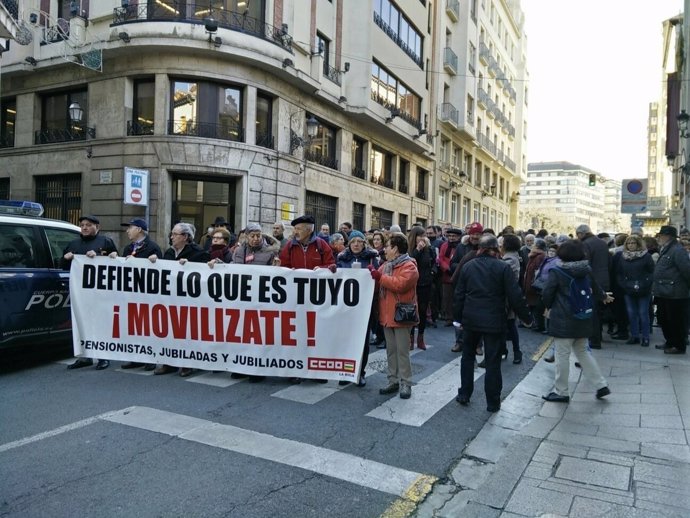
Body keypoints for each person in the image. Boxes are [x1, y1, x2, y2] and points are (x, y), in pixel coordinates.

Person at [454, 235, 532, 412]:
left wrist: (458, 319)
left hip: (471, 320)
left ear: (480, 249)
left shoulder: (468, 266)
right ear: (496, 250)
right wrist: (527, 318)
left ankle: (464, 393)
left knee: (467, 357)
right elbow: (515, 296)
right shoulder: (502, 268)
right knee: (493, 362)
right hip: (494, 320)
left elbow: (459, 295)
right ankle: (493, 402)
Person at [541, 239, 612, 403]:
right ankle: (601, 385)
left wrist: (547, 307)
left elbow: (547, 294)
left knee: (562, 355)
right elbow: (596, 288)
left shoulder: (556, 271)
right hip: (583, 317)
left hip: (563, 319)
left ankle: (562, 392)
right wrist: (605, 297)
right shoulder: (586, 269)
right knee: (583, 352)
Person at [279, 215, 335, 383]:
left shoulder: (322, 245)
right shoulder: (289, 246)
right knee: (298, 335)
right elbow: (283, 267)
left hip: (317, 300)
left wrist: (324, 268)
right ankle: (297, 369)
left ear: (309, 230)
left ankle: (318, 372)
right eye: (294, 229)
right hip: (296, 299)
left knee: (317, 335)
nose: (295, 232)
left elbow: (332, 265)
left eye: (299, 228)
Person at [149, 222, 210, 376]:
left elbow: (206, 274)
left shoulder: (198, 253)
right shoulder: (169, 252)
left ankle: (188, 363)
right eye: (172, 234)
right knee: (170, 331)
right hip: (170, 299)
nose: (172, 237)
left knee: (188, 331)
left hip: (190, 300)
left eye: (175, 234)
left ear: (185, 237)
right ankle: (169, 362)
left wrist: (190, 267)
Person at [223, 223, 281, 381]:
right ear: (247, 236)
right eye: (252, 236)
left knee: (260, 335)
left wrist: (277, 268)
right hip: (244, 298)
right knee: (243, 334)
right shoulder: (240, 250)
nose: (256, 239)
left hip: (262, 299)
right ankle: (242, 366)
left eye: (258, 235)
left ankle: (258, 370)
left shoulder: (270, 251)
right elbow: (233, 269)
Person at [64, 215, 118, 370]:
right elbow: (63, 265)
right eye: (82, 225)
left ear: (97, 227)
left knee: (101, 324)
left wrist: (102, 256)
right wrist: (66, 258)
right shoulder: (73, 243)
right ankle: (84, 357)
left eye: (88, 225)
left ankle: (103, 357)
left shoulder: (105, 242)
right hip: (79, 292)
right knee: (81, 323)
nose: (85, 227)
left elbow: (115, 264)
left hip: (99, 291)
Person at [370, 233, 419, 399]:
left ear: (396, 249)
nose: (384, 249)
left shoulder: (409, 266)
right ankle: (393, 380)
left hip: (401, 315)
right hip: (388, 314)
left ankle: (406, 383)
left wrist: (379, 277)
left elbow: (401, 284)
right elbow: (376, 280)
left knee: (402, 351)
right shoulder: (386, 265)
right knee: (391, 351)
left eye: (388, 246)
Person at [111, 218, 162, 370]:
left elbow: (158, 271)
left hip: (147, 294)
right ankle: (136, 357)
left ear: (139, 229)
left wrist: (138, 261)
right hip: (131, 293)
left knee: (148, 327)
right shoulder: (128, 248)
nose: (127, 231)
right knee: (134, 327)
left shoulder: (153, 247)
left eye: (130, 228)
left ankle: (151, 358)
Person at [336, 230, 380, 387]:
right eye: (353, 241)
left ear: (364, 243)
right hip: (346, 306)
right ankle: (345, 372)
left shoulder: (372, 258)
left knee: (362, 341)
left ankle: (360, 372)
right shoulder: (341, 258)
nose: (356, 244)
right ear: (349, 244)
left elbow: (377, 279)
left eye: (359, 241)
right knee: (345, 339)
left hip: (364, 306)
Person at [652, 225, 690, 354]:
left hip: (675, 293)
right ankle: (670, 341)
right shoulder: (667, 248)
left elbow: (686, 270)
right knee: (664, 319)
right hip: (664, 291)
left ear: (667, 236)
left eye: (661, 235)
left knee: (676, 321)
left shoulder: (677, 250)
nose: (659, 238)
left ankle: (678, 345)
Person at [575, 224, 610, 349]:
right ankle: (598, 337)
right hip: (604, 280)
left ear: (581, 234)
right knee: (598, 312)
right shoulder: (602, 243)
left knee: (592, 312)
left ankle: (594, 340)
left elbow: (585, 264)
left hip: (592, 281)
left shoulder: (585, 244)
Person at [617, 234, 655, 347]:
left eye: (633, 243)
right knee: (631, 313)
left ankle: (645, 337)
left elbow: (652, 272)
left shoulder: (646, 256)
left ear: (638, 244)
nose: (630, 245)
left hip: (644, 289)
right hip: (628, 289)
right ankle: (634, 336)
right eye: (628, 243)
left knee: (643, 313)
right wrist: (624, 284)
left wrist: (645, 283)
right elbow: (619, 273)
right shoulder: (623, 257)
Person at [408, 226, 435, 351]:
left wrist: (433, 272)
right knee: (412, 311)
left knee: (423, 311)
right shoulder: (411, 249)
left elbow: (434, 262)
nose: (423, 238)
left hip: (425, 283)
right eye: (420, 236)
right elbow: (411, 260)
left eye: (424, 236)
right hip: (413, 284)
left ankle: (421, 338)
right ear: (415, 237)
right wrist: (418, 249)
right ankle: (411, 338)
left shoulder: (428, 249)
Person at [523, 238, 547, 331]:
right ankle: (533, 323)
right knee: (532, 304)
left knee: (536, 305)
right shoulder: (534, 255)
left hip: (533, 284)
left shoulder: (539, 256)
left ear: (537, 247)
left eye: (534, 245)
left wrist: (533, 281)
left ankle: (538, 325)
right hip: (530, 282)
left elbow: (537, 270)